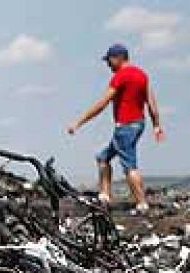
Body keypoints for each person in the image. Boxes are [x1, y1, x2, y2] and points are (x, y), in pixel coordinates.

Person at [67, 44, 165, 212]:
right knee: (103, 157)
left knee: (129, 166)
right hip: (138, 124)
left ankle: (142, 203)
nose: (108, 65)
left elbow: (102, 103)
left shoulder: (121, 76)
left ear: (118, 58)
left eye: (109, 61)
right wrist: (156, 125)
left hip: (125, 126)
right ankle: (105, 195)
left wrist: (79, 122)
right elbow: (152, 102)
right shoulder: (142, 75)